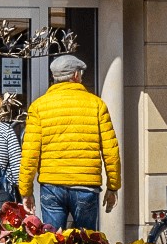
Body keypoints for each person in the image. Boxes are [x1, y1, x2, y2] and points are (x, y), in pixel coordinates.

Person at [18, 53, 120, 232]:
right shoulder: (97, 105)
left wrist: (26, 190)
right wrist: (113, 186)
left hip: (52, 185)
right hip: (86, 185)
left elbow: (30, 153)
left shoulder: (38, 107)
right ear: (75, 75)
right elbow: (111, 150)